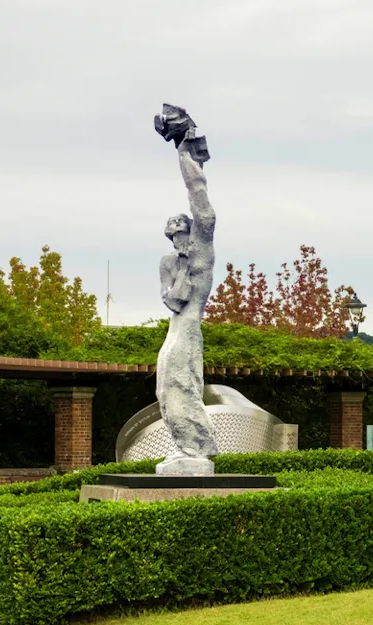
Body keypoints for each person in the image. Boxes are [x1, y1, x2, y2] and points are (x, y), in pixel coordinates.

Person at [154, 124, 218, 474]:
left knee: (181, 384)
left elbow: (201, 200)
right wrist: (178, 271)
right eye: (172, 233)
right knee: (165, 389)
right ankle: (185, 446)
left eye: (181, 230)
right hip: (174, 328)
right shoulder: (169, 263)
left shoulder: (202, 252)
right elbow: (172, 300)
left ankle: (196, 447)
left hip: (190, 328)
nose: (177, 237)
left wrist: (185, 153)